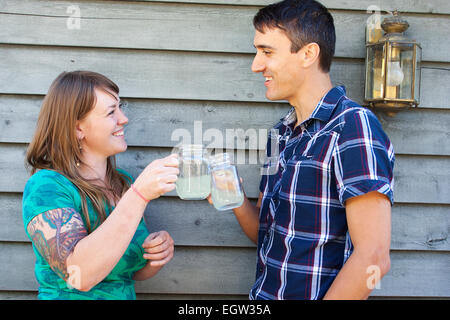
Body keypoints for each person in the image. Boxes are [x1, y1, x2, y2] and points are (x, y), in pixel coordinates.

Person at [212, 0, 394, 299]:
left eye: (267, 52)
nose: (256, 65)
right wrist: (232, 196)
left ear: (308, 54)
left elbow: (373, 257)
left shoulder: (352, 127)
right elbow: (269, 234)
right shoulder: (280, 133)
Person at [22, 71, 179, 299]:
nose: (123, 118)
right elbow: (80, 276)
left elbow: (124, 273)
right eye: (111, 112)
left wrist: (153, 257)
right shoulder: (46, 187)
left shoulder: (123, 183)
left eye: (120, 107)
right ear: (78, 129)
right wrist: (139, 195)